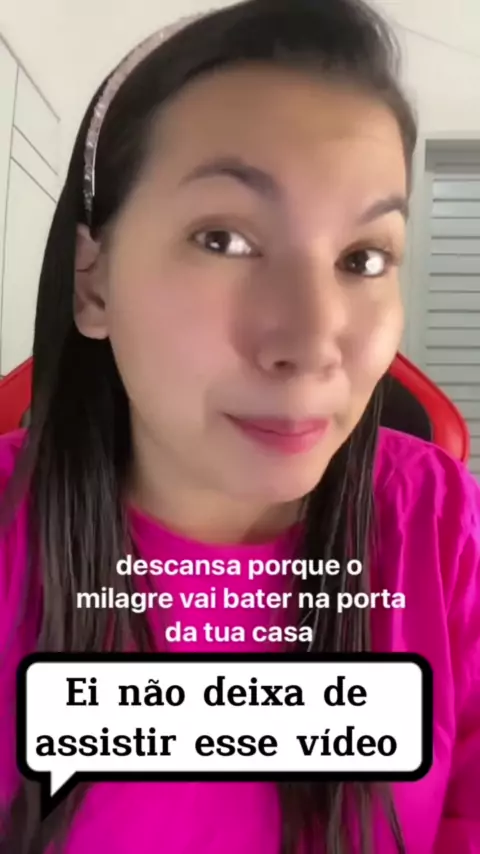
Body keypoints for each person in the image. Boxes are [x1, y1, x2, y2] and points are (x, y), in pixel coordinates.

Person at [0, 0, 479, 851]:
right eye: (222, 238)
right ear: (92, 282)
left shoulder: (444, 527)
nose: (312, 341)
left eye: (363, 258)